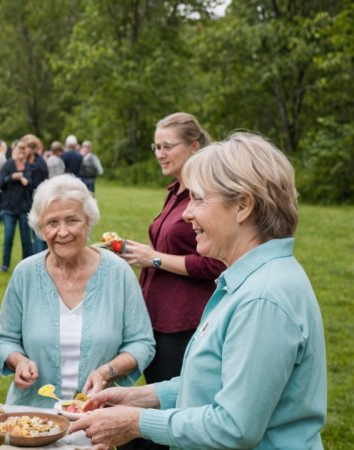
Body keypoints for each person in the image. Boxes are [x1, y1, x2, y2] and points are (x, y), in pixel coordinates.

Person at [70, 132, 327, 449]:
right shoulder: (248, 281)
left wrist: (133, 422)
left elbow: (233, 426)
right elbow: (216, 382)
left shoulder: (262, 298)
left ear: (243, 205)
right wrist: (139, 397)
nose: (187, 213)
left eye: (199, 199)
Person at [0, 174, 155, 408]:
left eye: (72, 220)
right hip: (32, 416)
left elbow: (141, 343)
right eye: (52, 223)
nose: (62, 232)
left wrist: (107, 371)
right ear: (40, 228)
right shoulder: (25, 273)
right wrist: (17, 361)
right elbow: (5, 340)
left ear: (88, 221)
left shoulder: (118, 273)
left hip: (99, 414)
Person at [120, 113, 226, 399]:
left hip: (183, 321)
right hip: (155, 315)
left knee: (172, 403)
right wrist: (136, 251)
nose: (160, 154)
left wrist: (153, 258)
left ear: (193, 147)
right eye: (156, 147)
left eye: (168, 146)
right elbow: (172, 246)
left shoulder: (205, 193)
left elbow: (215, 263)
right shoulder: (176, 189)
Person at [0, 140, 34, 272]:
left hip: (24, 208)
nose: (21, 154)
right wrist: (12, 177)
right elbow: (0, 184)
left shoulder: (28, 167)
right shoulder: (8, 165)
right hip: (9, 208)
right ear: (14, 151)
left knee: (26, 240)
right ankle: (5, 265)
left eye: (23, 151)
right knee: (8, 238)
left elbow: (32, 185)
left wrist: (26, 179)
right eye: (19, 151)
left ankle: (27, 265)